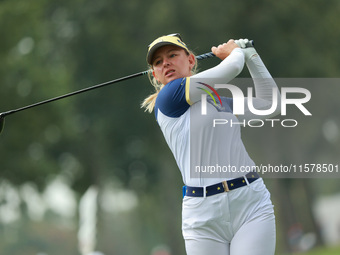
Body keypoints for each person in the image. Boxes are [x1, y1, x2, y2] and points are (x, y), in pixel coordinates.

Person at [142, 33, 279, 255]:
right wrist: (235, 52)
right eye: (158, 62)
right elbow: (232, 68)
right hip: (202, 217)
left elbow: (270, 105)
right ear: (155, 75)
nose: (165, 62)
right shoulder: (168, 97)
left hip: (250, 204)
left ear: (191, 60)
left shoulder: (218, 102)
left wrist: (251, 55)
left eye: (172, 55)